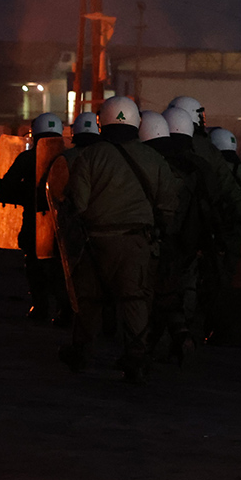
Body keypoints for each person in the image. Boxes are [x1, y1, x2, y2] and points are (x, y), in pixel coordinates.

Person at [57, 96, 177, 383]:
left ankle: (81, 354)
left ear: (102, 122)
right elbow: (168, 207)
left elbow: (78, 205)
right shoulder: (155, 159)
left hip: (97, 242)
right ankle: (136, 358)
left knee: (89, 301)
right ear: (137, 122)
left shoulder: (89, 157)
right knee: (135, 300)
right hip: (137, 243)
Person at [167, 96, 241, 345]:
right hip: (202, 222)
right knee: (202, 276)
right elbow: (228, 187)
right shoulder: (207, 149)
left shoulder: (159, 147)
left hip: (170, 221)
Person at [141, 108, 221, 364]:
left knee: (158, 293)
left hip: (166, 237)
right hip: (194, 238)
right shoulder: (203, 163)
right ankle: (176, 338)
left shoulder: (161, 163)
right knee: (175, 292)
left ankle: (166, 340)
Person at [0, 112, 69, 324]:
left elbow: (6, 189)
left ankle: (40, 308)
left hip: (33, 222)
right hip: (62, 224)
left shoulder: (26, 158)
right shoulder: (68, 157)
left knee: (35, 266)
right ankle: (65, 311)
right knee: (61, 267)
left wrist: (29, 198)